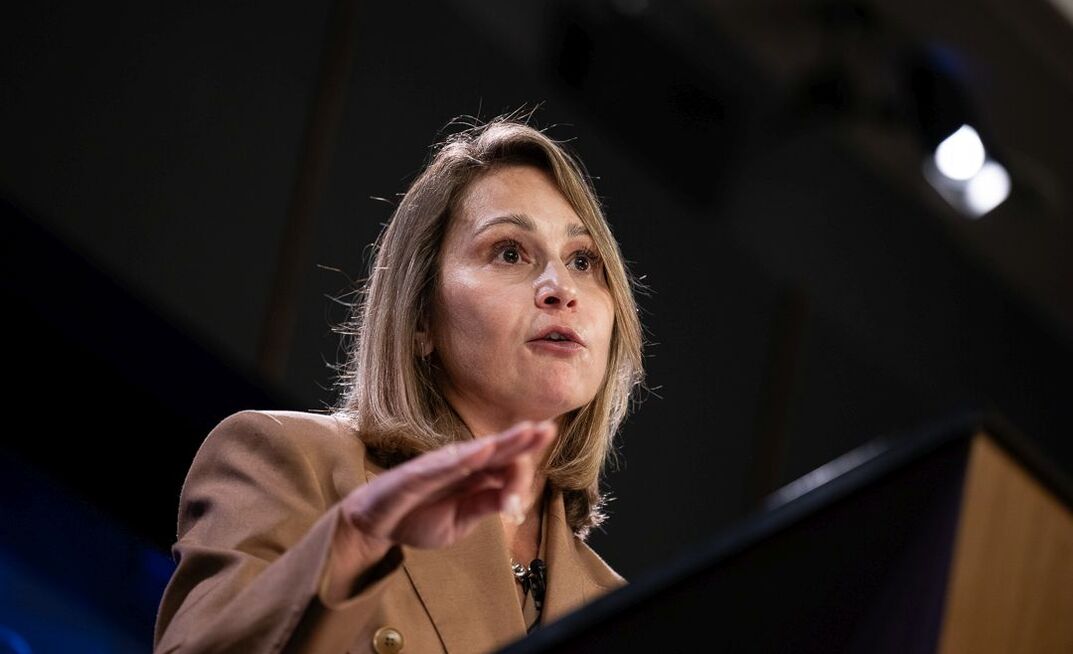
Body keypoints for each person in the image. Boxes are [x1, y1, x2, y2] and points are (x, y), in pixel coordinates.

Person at [152, 109, 648, 653]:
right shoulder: (289, 462)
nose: (560, 287)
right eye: (509, 252)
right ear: (420, 319)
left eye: (583, 260)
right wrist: (353, 544)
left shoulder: (625, 609)